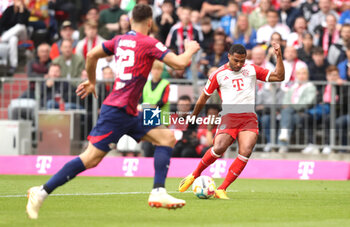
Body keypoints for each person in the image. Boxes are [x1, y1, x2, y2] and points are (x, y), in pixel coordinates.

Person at [26, 4, 200, 219]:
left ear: (130, 19)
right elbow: (180, 63)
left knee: (166, 137)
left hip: (130, 110)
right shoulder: (149, 42)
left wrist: (91, 82)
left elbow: (91, 54)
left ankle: (158, 191)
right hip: (117, 110)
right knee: (90, 159)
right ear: (150, 23)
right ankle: (41, 192)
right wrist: (191, 48)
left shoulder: (120, 40)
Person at [178, 43, 285, 199]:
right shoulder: (218, 74)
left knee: (246, 150)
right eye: (236, 60)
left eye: (242, 61)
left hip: (248, 117)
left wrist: (279, 56)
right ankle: (194, 175)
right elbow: (203, 97)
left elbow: (279, 76)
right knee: (219, 147)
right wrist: (194, 114)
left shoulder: (251, 69)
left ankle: (222, 189)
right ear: (229, 56)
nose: (239, 64)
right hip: (229, 117)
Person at [0, 0, 30, 75]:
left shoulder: (26, 11)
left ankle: (2, 39)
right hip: (10, 35)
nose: (18, 2)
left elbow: (21, 22)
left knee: (20, 26)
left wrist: (21, 10)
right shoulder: (9, 10)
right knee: (13, 39)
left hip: (22, 35)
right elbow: (2, 23)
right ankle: (13, 65)